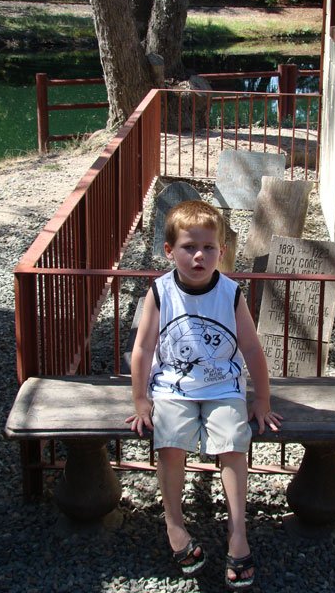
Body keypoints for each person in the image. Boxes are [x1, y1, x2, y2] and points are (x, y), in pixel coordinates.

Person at [126, 199, 282, 590]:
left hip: (222, 386)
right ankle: (174, 524)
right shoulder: (161, 291)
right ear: (169, 250)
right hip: (172, 387)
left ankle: (238, 531)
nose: (199, 256)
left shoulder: (230, 292)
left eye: (209, 247)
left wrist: (261, 399)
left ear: (221, 250)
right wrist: (141, 399)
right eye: (189, 247)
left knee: (232, 443)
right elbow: (143, 348)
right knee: (170, 443)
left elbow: (251, 348)